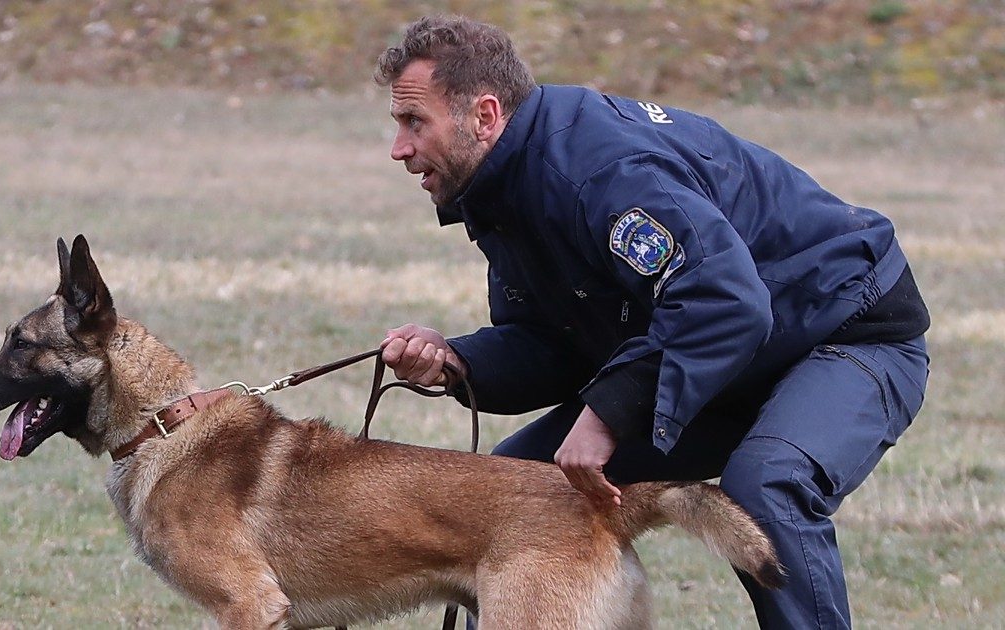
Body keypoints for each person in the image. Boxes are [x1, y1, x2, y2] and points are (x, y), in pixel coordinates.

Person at [374, 14, 930, 630]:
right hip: (723, 360)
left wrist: (609, 415)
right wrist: (457, 361)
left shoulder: (601, 171)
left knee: (767, 485)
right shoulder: (503, 184)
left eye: (413, 122)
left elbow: (725, 302)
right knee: (517, 491)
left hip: (843, 333)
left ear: (483, 115)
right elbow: (554, 344)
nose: (399, 148)